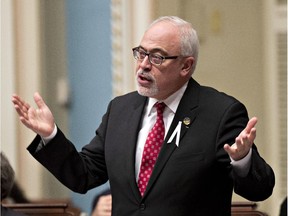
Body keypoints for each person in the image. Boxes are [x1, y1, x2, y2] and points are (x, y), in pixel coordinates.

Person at [12, 16, 275, 216]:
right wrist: (50, 135)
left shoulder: (220, 113)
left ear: (186, 65)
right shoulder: (121, 110)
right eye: (141, 53)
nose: (143, 65)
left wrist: (242, 160)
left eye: (157, 57)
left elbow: (260, 189)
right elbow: (83, 176)